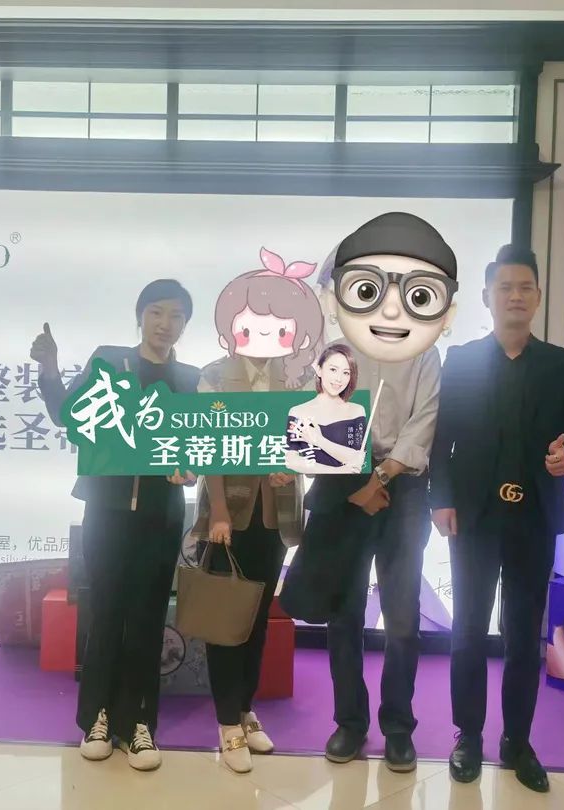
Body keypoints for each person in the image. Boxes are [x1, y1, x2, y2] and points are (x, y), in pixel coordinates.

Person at [288, 212, 458, 774]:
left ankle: (398, 728)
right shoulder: (329, 352)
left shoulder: (424, 350)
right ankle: (349, 724)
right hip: (341, 486)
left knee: (402, 617)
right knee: (344, 614)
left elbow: (425, 422)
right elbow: (308, 415)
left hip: (402, 490)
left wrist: (381, 477)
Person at [429, 245, 564, 793]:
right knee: (469, 630)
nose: (516, 296)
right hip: (474, 516)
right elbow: (441, 436)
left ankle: (517, 742)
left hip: (534, 517)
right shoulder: (462, 360)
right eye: (505, 288)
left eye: (525, 288)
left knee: (524, 636)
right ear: (488, 297)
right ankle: (468, 736)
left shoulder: (559, 364)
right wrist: (440, 498)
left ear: (538, 297)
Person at [30, 279, 200, 772]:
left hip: (161, 516)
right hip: (106, 512)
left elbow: (197, 447)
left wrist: (191, 469)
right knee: (106, 614)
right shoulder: (109, 361)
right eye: (157, 312)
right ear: (140, 316)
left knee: (147, 620)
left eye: (176, 316)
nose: (165, 324)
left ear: (185, 325)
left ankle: (140, 721)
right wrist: (48, 369)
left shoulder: (191, 379)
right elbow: (66, 415)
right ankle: (97, 718)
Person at [191, 248, 322, 774]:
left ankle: (245, 709)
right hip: (229, 516)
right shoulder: (213, 375)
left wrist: (296, 467)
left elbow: (306, 442)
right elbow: (208, 446)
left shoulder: (298, 379)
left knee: (259, 616)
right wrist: (219, 510)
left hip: (276, 515)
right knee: (227, 617)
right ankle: (226, 722)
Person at [285, 343, 367, 474]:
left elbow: (358, 458)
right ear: (319, 370)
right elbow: (292, 460)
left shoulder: (357, 411)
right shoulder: (298, 412)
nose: (339, 379)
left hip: (354, 486)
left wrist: (318, 440)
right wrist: (338, 471)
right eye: (333, 370)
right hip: (317, 485)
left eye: (346, 373)